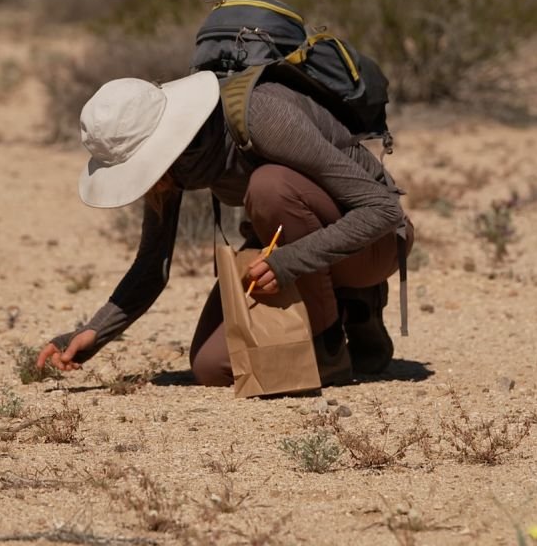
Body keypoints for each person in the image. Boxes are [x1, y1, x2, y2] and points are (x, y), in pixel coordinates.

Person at [36, 70, 411, 386]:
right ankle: (335, 312)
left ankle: (334, 336)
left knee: (270, 187)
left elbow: (382, 210)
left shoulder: (263, 117)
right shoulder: (175, 168)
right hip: (289, 250)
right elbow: (153, 265)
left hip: (373, 245)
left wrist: (288, 263)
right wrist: (96, 332)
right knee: (211, 367)